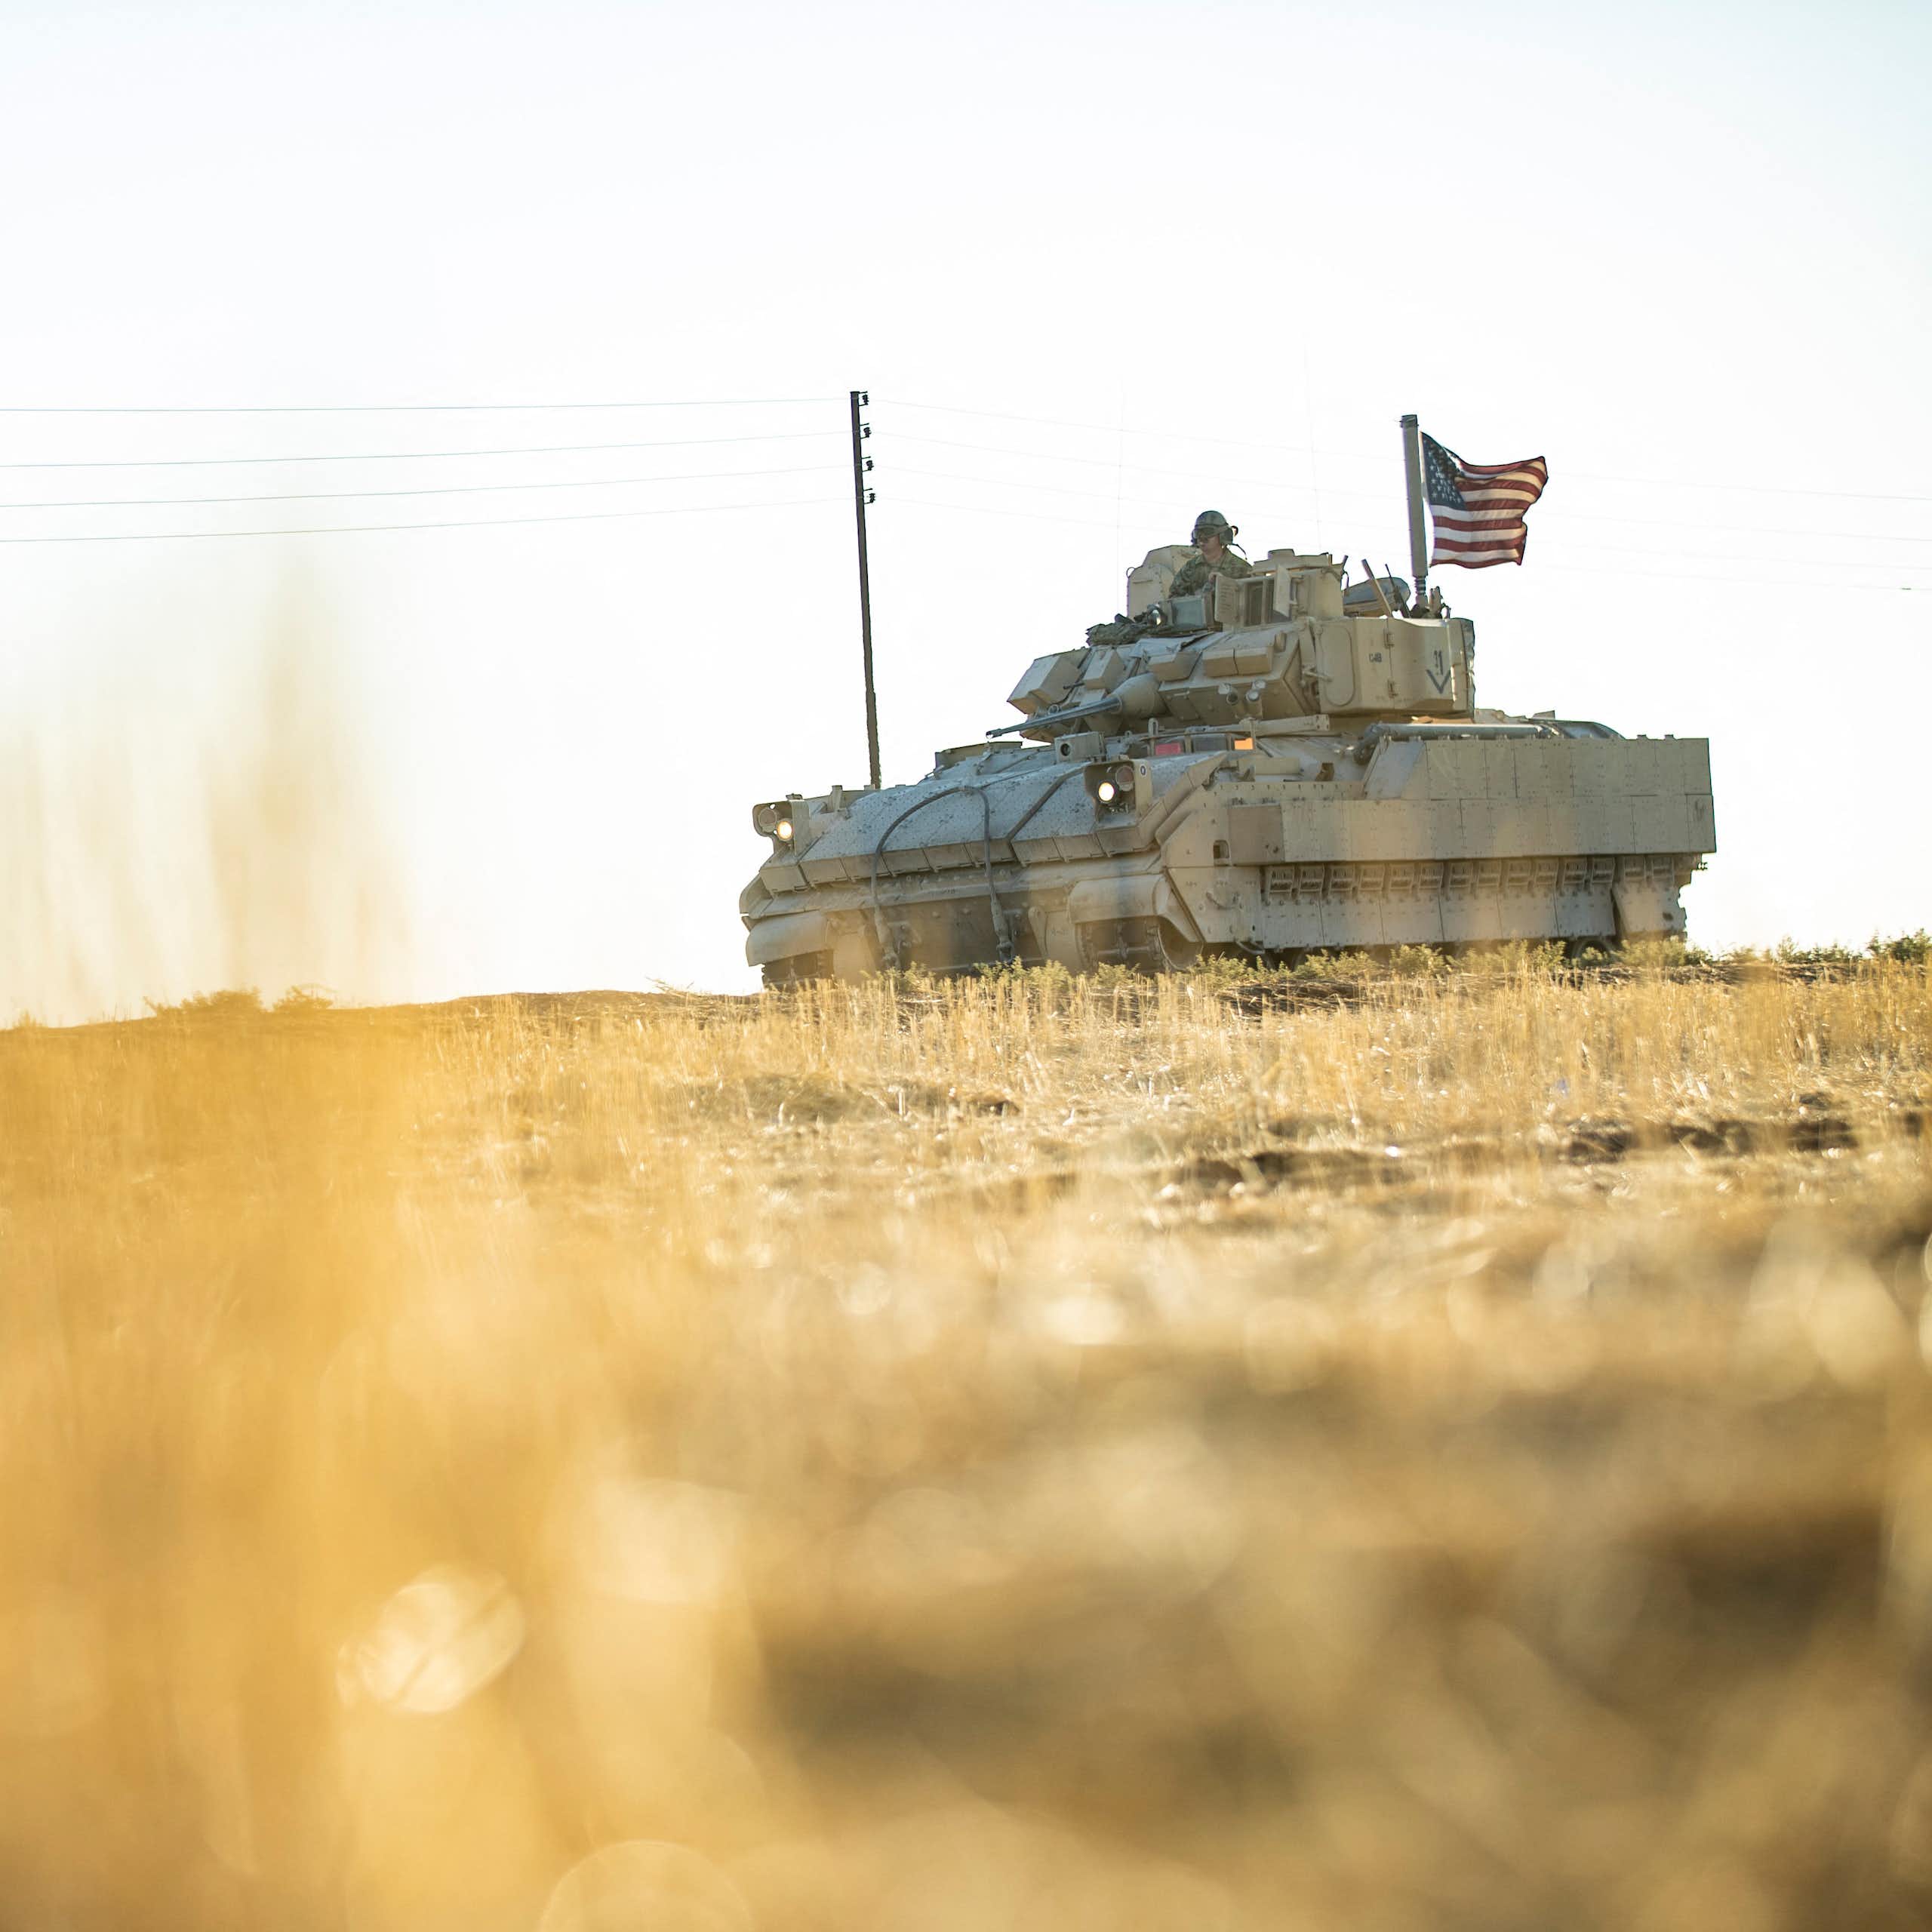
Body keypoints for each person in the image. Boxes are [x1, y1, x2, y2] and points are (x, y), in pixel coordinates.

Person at [1166, 509, 1254, 598]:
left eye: (1208, 532)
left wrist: (1225, 586)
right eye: (1198, 533)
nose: (1201, 538)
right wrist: (1198, 597)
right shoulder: (1190, 568)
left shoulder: (1242, 569)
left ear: (1222, 536)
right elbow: (1173, 599)